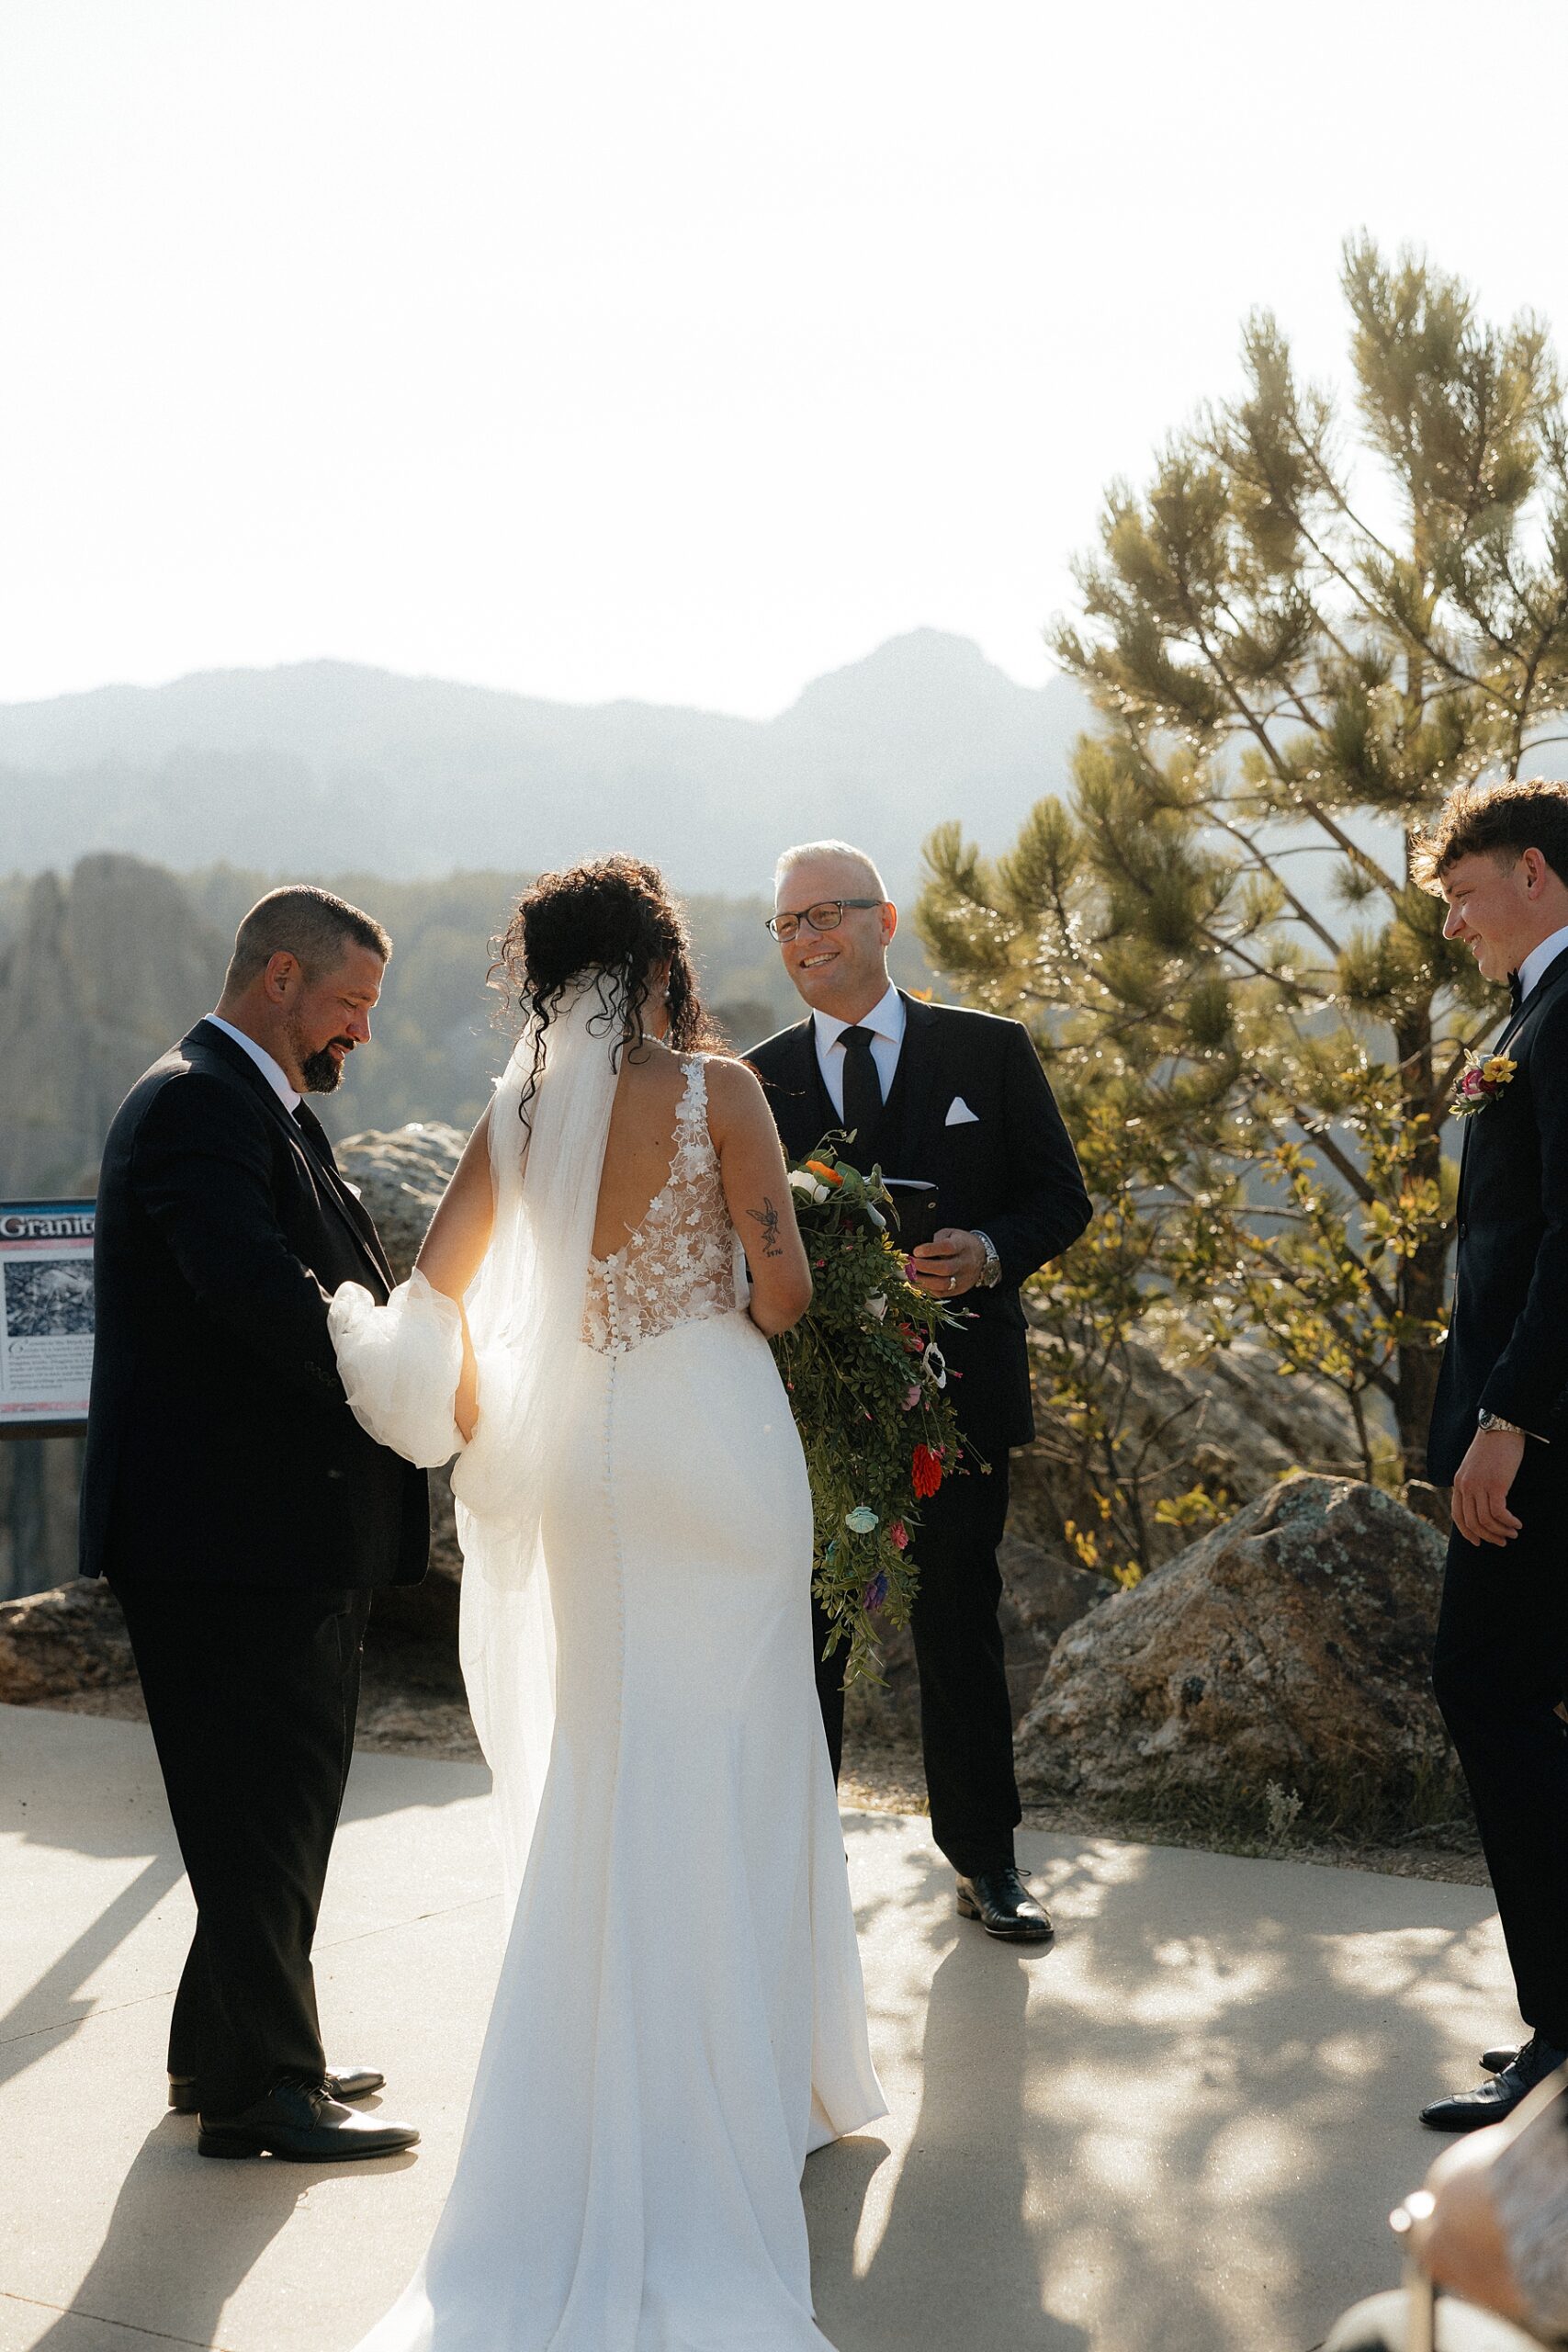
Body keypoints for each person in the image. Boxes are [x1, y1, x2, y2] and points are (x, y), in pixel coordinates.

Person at [330, 855, 886, 2352]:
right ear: (656, 965)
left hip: (580, 1471)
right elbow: (776, 1297)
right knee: (749, 1753)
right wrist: (791, 1252)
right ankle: (773, 2080)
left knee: (608, 1760)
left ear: (539, 975)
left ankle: (587, 2086)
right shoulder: (722, 1094)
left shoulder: (512, 1114)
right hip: (716, 1451)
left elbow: (430, 1298)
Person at [79, 886, 426, 2161]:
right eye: (350, 1003)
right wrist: (399, 1377)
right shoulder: (194, 1104)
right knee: (260, 1811)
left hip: (265, 1534)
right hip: (221, 1539)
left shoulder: (257, 1107)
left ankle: (222, 2052)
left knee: (268, 1805)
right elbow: (253, 1292)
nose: (361, 1034)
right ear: (279, 978)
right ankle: (265, 2096)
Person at [747, 840, 1091, 1943]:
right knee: (805, 1630)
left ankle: (987, 1860)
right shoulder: (755, 1079)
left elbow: (1061, 1197)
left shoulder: (990, 1052)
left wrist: (988, 1250)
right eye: (789, 923)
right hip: (809, 1413)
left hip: (962, 1395)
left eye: (827, 915)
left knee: (957, 1623)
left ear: (885, 920)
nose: (808, 939)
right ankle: (794, 1865)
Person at [1417, 780, 1568, 2132]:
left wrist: (1508, 1419)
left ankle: (1561, 2036)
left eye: (1464, 894)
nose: (1453, 922)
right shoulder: (1535, 1007)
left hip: (1541, 1436)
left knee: (1486, 1688)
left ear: (1535, 872)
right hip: (1523, 1421)